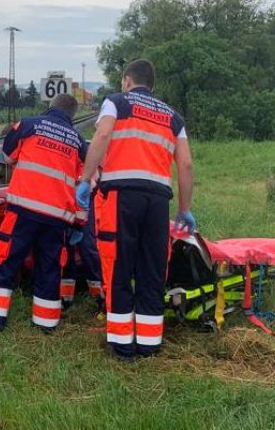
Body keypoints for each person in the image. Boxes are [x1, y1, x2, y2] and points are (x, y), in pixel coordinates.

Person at [77, 59, 194, 360]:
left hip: (120, 195)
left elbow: (102, 137)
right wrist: (184, 209)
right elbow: (185, 163)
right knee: (152, 269)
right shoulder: (173, 116)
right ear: (151, 84)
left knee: (117, 266)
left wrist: (84, 178)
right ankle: (149, 343)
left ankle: (122, 345)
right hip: (157, 201)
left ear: (127, 80)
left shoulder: (117, 102)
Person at [0, 93, 87, 333]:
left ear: (50, 107)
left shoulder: (28, 124)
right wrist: (79, 224)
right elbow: (83, 185)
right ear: (72, 114)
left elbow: (7, 156)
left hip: (23, 210)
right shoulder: (79, 142)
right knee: (50, 268)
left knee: (7, 260)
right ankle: (45, 324)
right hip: (57, 219)